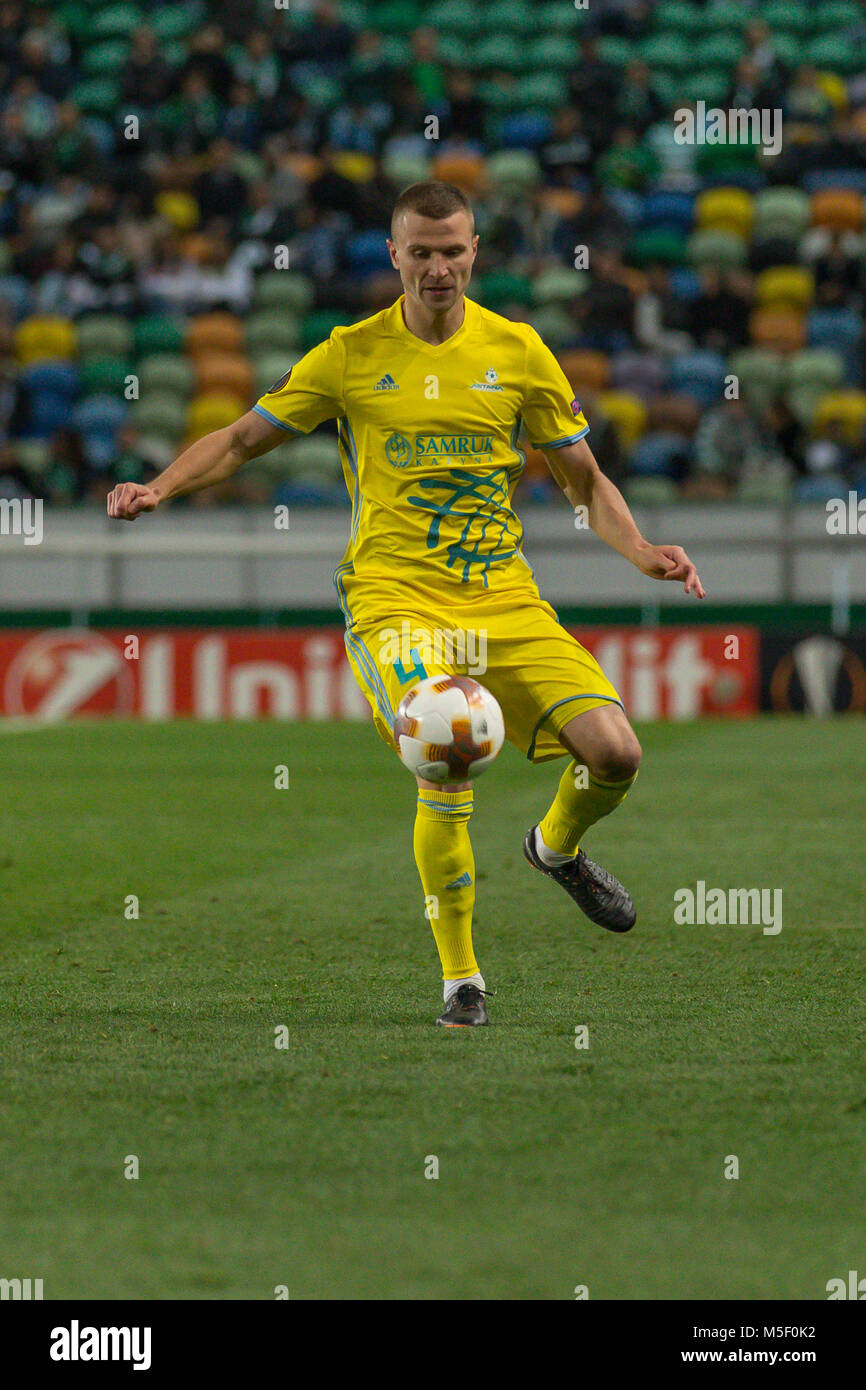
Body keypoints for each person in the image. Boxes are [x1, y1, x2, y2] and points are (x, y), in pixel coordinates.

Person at [106, 181, 705, 1028]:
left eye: (452, 251)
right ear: (393, 255)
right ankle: (463, 979)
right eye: (419, 252)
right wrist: (161, 486)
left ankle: (555, 848)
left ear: (474, 253)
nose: (437, 268)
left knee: (616, 755)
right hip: (395, 599)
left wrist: (642, 551)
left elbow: (584, 478)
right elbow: (243, 438)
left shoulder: (520, 350)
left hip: (504, 597)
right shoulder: (348, 355)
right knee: (448, 745)